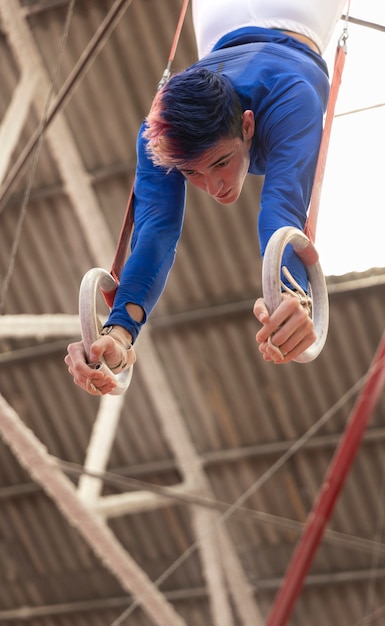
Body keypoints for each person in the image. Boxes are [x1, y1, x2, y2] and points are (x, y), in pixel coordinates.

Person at [65, 0, 347, 395]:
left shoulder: (291, 96)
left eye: (220, 162)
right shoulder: (158, 137)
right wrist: (116, 332)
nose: (213, 187)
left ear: (248, 125)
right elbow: (154, 232)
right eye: (191, 173)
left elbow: (282, 209)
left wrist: (291, 298)